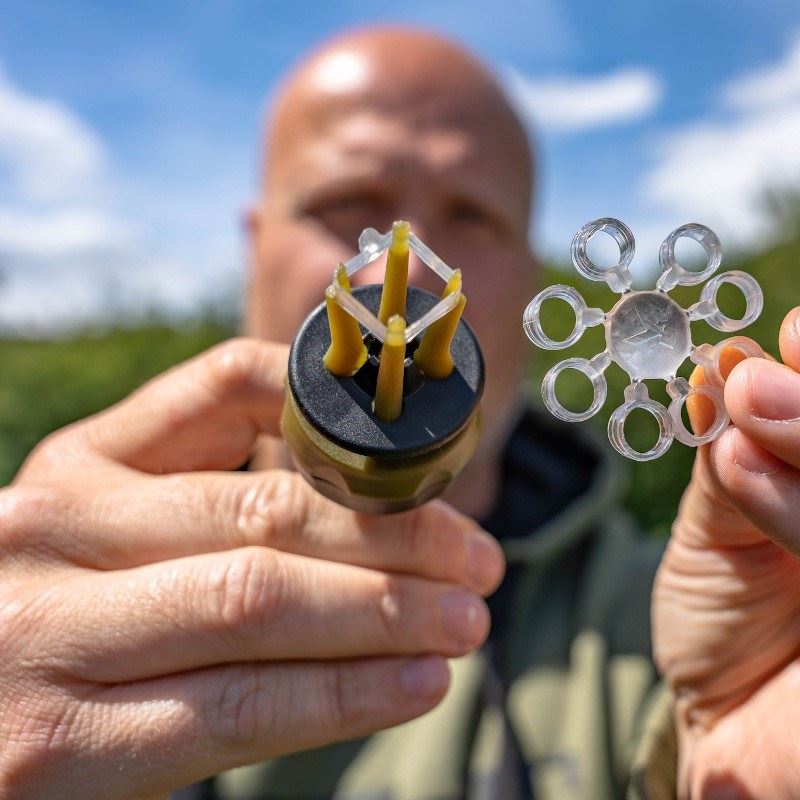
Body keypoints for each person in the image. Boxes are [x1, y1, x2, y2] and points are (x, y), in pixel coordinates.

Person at [2, 25, 800, 800]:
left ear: (530, 282)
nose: (407, 263)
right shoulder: (50, 592)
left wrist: (711, 764)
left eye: (471, 216)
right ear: (254, 248)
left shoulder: (689, 635)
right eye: (351, 200)